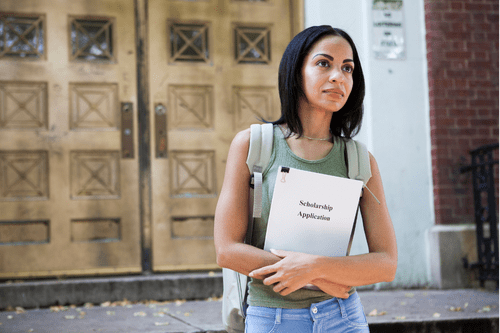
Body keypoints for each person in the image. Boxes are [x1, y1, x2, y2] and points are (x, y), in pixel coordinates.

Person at [214, 25, 397, 332]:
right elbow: (227, 249)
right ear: (296, 71)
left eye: (347, 68)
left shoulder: (360, 160)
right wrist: (318, 278)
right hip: (272, 318)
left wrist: (314, 267)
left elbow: (386, 263)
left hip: (344, 317)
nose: (338, 76)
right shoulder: (253, 145)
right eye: (324, 63)